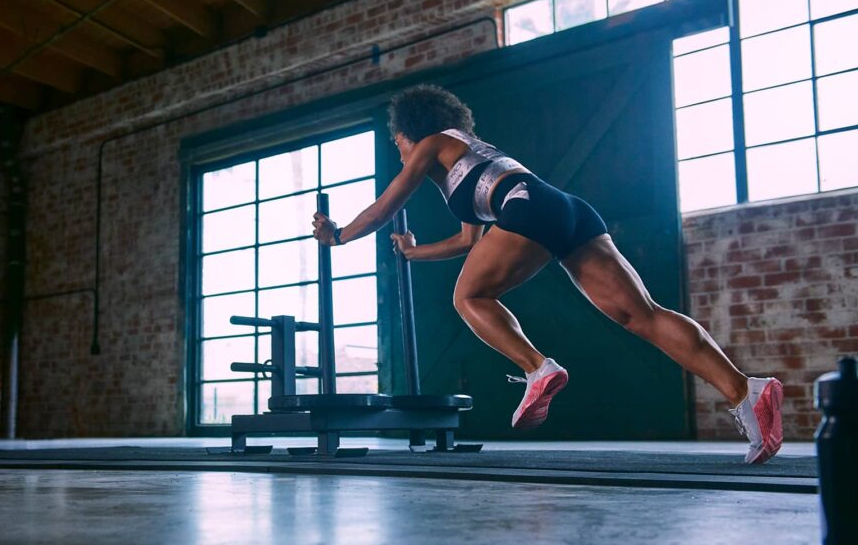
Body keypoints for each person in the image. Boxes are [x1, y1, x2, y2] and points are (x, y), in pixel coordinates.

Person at [312, 83, 783, 464]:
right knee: (640, 315)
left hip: (528, 208)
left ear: (413, 132)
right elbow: (467, 242)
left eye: (398, 144)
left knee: (467, 299)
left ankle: (538, 368)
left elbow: (383, 207)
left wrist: (338, 236)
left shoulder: (434, 144)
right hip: (566, 210)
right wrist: (414, 253)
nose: (400, 155)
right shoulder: (470, 160)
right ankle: (748, 390)